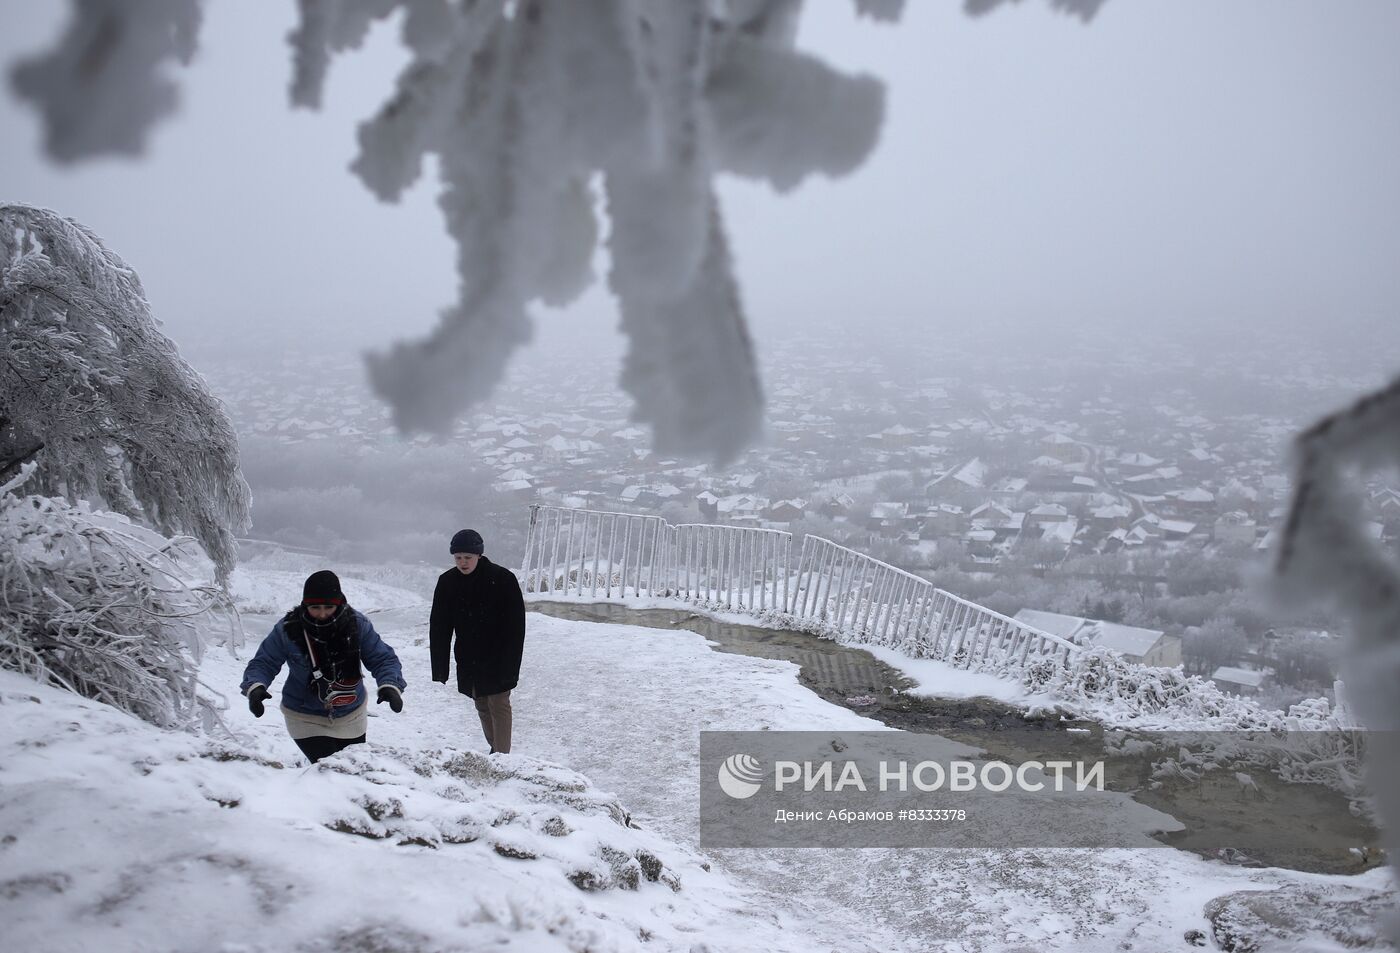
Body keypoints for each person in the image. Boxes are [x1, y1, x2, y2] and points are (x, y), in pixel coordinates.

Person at [240, 569, 406, 763]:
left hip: (351, 713)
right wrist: (255, 687)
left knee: (353, 770)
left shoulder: (357, 624)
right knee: (331, 771)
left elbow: (382, 659)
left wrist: (390, 686)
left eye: (328, 607)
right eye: (315, 607)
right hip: (304, 716)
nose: (322, 614)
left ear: (340, 603)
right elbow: (264, 662)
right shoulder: (288, 629)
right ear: (304, 605)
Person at [430, 529, 526, 754]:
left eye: (468, 557)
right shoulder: (447, 582)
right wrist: (440, 669)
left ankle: (502, 757)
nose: (462, 562)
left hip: (498, 654)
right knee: (481, 702)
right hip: (468, 655)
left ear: (479, 556)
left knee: (499, 702)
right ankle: (495, 748)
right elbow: (439, 627)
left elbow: (516, 628)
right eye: (458, 558)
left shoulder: (502, 579)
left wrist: (511, 666)